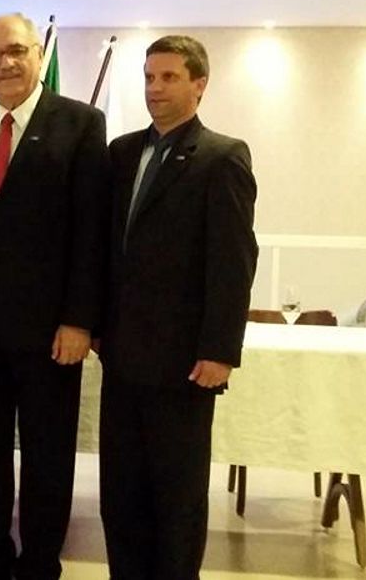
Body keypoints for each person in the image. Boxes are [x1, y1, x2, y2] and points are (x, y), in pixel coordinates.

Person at [0, 13, 109, 580]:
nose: (4, 63)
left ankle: (38, 564)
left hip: (50, 331)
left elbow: (91, 229)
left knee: (48, 458)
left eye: (15, 51)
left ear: (37, 53)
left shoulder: (80, 124)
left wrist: (79, 319)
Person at [98, 35, 257, 579]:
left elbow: (233, 261)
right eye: (149, 77)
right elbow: (106, 249)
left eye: (169, 77)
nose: (155, 88)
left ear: (199, 85)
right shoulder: (121, 153)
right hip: (122, 356)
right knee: (121, 492)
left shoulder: (221, 156)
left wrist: (220, 350)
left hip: (184, 361)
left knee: (177, 494)